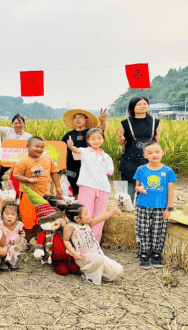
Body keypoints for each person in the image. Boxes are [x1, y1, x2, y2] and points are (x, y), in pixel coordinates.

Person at [133, 141, 176, 269]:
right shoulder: (141, 169)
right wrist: (139, 189)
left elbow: (171, 190)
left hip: (160, 206)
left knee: (159, 230)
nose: (154, 155)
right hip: (142, 205)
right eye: (150, 153)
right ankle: (143, 253)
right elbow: (137, 186)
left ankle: (156, 253)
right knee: (142, 229)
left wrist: (168, 208)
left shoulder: (168, 171)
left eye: (157, 152)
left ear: (162, 153)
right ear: (144, 155)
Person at [66, 128, 114, 241]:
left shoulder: (106, 157)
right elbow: (76, 150)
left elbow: (108, 174)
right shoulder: (85, 151)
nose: (96, 141)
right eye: (93, 138)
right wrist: (70, 146)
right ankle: (82, 240)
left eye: (99, 138)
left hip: (103, 189)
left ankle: (95, 242)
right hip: (87, 186)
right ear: (88, 140)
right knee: (84, 213)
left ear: (103, 139)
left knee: (99, 215)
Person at [62, 203, 123, 286]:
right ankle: (89, 275)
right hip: (83, 257)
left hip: (97, 254)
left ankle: (98, 273)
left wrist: (111, 213)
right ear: (77, 218)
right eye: (86, 214)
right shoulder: (70, 226)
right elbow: (66, 240)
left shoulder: (87, 224)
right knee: (98, 259)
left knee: (118, 270)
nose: (89, 216)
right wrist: (74, 253)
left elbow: (99, 218)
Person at [116, 97, 161, 202]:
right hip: (130, 158)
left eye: (145, 103)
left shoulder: (156, 122)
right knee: (129, 186)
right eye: (139, 104)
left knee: (147, 184)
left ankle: (143, 207)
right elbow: (122, 143)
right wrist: (121, 140)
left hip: (148, 159)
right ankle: (128, 208)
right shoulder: (125, 123)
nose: (142, 106)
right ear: (132, 107)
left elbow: (156, 142)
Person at [61, 109, 107, 198]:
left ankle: (88, 206)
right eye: (75, 118)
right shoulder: (68, 135)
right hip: (72, 166)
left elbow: (101, 129)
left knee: (89, 186)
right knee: (74, 185)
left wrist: (102, 120)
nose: (78, 120)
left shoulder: (91, 133)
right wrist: (63, 164)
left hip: (88, 165)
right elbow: (62, 151)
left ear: (86, 120)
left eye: (80, 118)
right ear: (73, 121)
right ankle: (77, 206)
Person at [0, 112, 32, 188]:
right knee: (3, 181)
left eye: (20, 123)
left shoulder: (28, 136)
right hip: (7, 163)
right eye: (16, 123)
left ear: (24, 124)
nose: (18, 125)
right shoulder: (7, 131)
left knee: (19, 184)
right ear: (12, 124)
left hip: (21, 165)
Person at [0, 202, 25, 271]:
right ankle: (2, 261)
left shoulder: (19, 225)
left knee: (16, 248)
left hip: (10, 245)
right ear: (2, 214)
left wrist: (21, 236)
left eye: (13, 214)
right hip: (0, 245)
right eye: (7, 214)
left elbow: (16, 243)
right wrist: (4, 235)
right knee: (3, 249)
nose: (9, 216)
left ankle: (10, 261)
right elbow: (1, 244)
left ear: (17, 217)